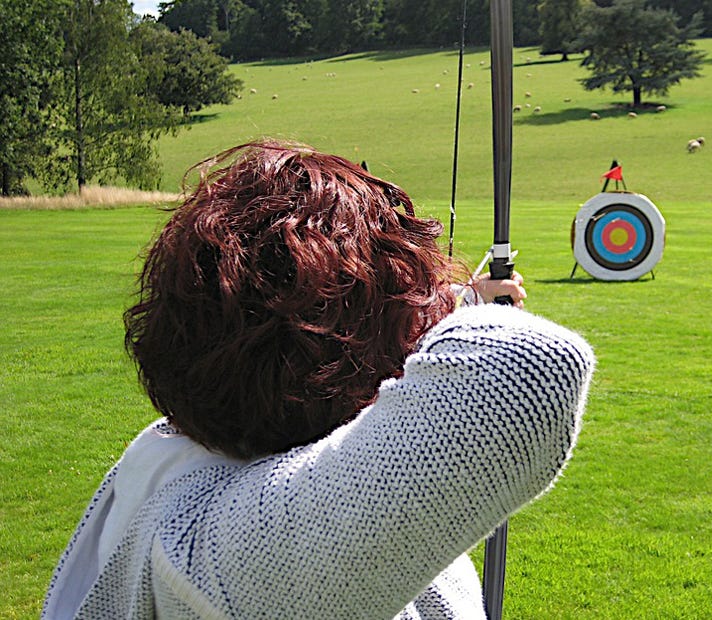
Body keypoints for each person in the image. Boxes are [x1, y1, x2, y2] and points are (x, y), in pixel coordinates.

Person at [43, 141, 594, 619]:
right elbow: (533, 369)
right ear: (341, 354)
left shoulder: (175, 453)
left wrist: (452, 302)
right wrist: (446, 316)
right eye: (405, 319)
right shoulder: (226, 556)